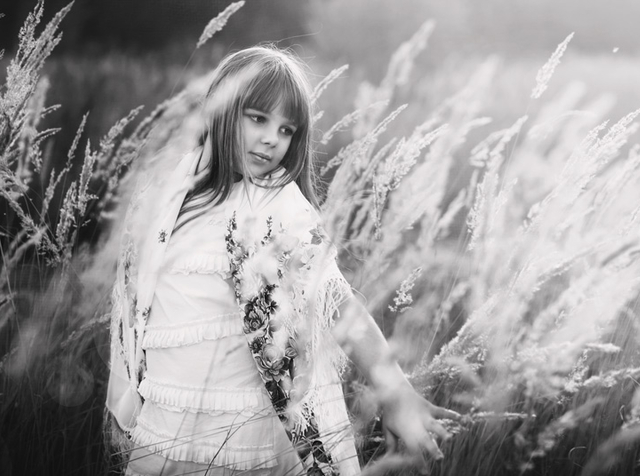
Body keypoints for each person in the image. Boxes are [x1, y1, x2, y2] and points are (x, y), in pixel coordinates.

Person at [106, 46, 459, 476]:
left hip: (248, 437)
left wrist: (395, 392)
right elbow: (134, 310)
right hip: (166, 430)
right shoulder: (166, 196)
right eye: (258, 118)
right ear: (220, 109)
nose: (272, 138)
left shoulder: (275, 205)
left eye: (286, 129)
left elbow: (336, 302)